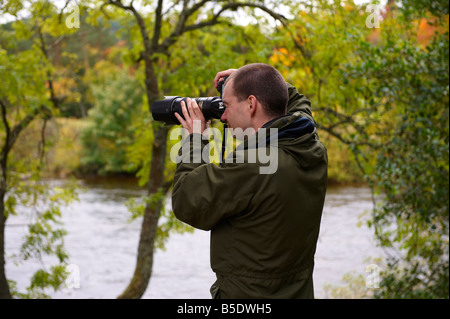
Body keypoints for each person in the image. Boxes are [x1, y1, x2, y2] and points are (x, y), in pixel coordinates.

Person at [171, 63, 328, 299]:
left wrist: (195, 138)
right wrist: (252, 81)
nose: (222, 116)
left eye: (227, 105)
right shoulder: (309, 145)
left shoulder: (254, 164)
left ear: (252, 104)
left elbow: (186, 200)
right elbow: (298, 103)